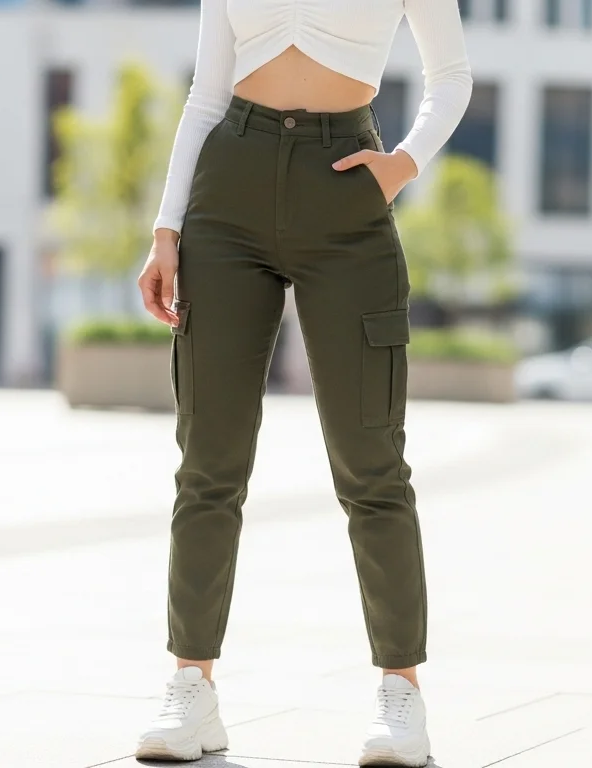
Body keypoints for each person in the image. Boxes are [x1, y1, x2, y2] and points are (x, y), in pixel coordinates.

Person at [132, 0, 471, 764]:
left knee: (371, 462)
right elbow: (206, 96)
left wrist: (404, 163)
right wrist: (166, 228)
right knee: (208, 461)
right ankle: (191, 686)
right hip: (229, 192)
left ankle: (401, 695)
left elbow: (451, 76)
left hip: (346, 187)